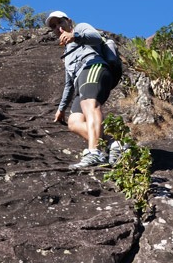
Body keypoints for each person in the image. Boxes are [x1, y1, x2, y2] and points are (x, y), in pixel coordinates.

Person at [45, 11, 125, 169]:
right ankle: (115, 144)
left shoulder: (80, 28)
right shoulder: (66, 53)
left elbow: (95, 37)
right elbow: (69, 84)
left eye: (60, 22)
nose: (58, 27)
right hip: (80, 83)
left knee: (90, 106)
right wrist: (61, 109)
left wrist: (75, 36)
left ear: (68, 21)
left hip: (93, 67)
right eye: (53, 26)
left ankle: (94, 152)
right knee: (74, 122)